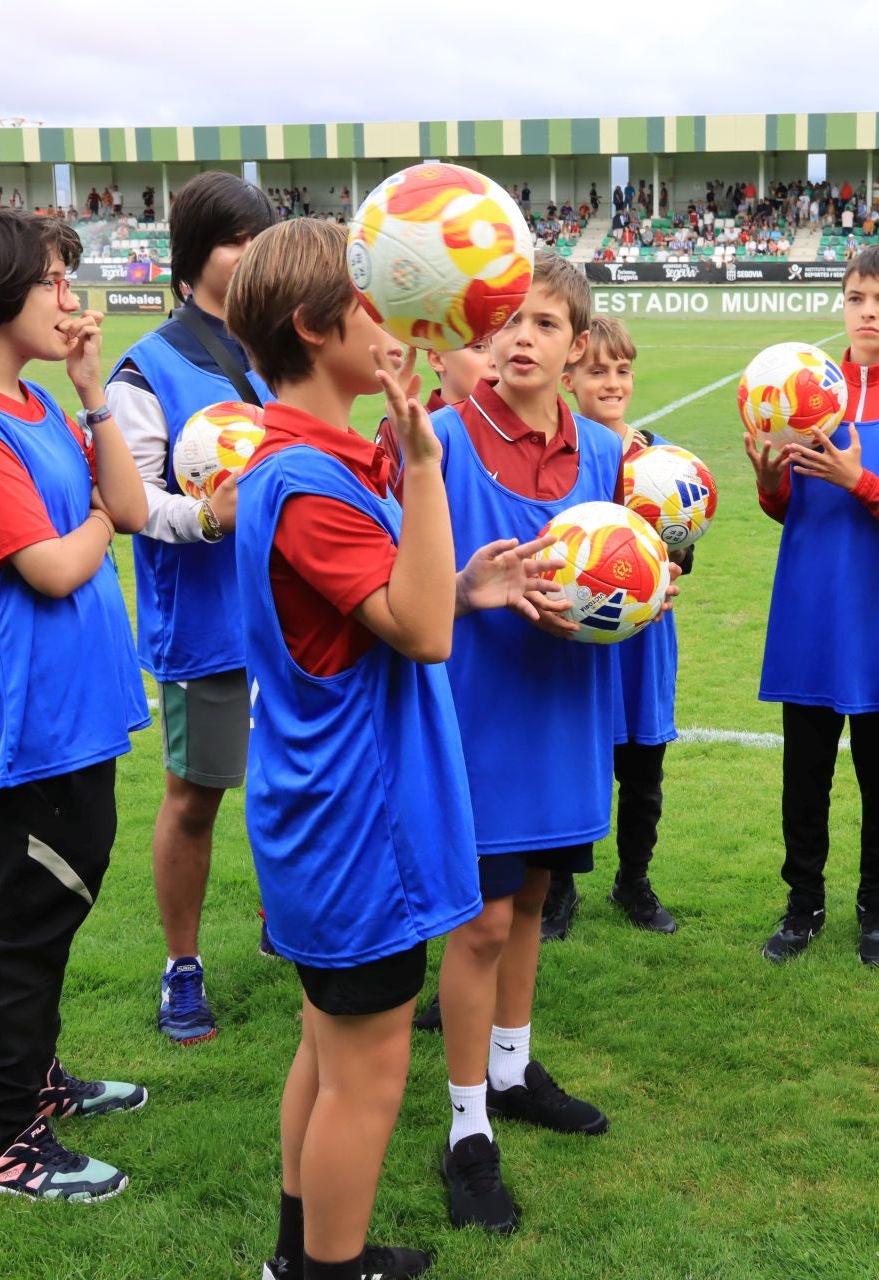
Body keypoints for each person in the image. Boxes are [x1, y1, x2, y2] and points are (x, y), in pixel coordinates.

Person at [224, 216, 560, 1280]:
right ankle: (329, 1266)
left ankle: (303, 1253)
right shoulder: (314, 478)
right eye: (382, 301)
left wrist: (460, 583)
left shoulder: (307, 455)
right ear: (321, 328)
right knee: (365, 1073)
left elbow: (383, 611)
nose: (407, 324)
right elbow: (419, 634)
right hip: (355, 823)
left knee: (328, 1047)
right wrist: (424, 471)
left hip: (323, 809)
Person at [0, 200, 152, 1202]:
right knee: (26, 926)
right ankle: (1, 1143)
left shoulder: (39, 405)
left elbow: (130, 510)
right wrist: (95, 514)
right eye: (53, 277)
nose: (70, 297)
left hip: (72, 713)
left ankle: (36, 1083)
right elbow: (54, 566)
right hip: (23, 726)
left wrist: (93, 390)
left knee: (52, 909)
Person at [425, 252, 658, 1232]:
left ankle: (514, 1070)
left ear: (577, 346)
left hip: (562, 705)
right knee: (478, 921)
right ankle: (466, 1126)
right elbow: (393, 600)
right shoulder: (433, 441)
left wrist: (640, 595)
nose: (523, 337)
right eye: (509, 320)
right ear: (482, 335)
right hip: (476, 710)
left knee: (528, 902)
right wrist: (469, 592)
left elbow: (623, 573)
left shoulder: (603, 457)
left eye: (548, 323)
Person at [743, 244, 879, 966]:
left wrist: (862, 479)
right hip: (812, 606)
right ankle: (802, 902)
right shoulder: (803, 389)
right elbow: (790, 510)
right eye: (856, 298)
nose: (867, 312)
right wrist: (770, 481)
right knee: (803, 769)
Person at [107, 172, 279, 1045]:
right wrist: (211, 516)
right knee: (196, 796)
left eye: (260, 240)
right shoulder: (148, 366)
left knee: (297, 779)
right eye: (234, 241)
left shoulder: (284, 346)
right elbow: (134, 503)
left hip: (292, 620)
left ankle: (281, 919)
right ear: (193, 255)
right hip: (206, 627)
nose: (250, 257)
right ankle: (182, 967)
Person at [544, 316, 685, 937]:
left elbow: (682, 545)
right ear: (567, 375)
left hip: (644, 641)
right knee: (572, 760)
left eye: (622, 370)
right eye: (597, 371)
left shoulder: (656, 459)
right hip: (577, 644)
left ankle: (634, 881)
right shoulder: (558, 459)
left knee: (643, 768)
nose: (612, 382)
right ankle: (558, 889)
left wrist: (670, 566)